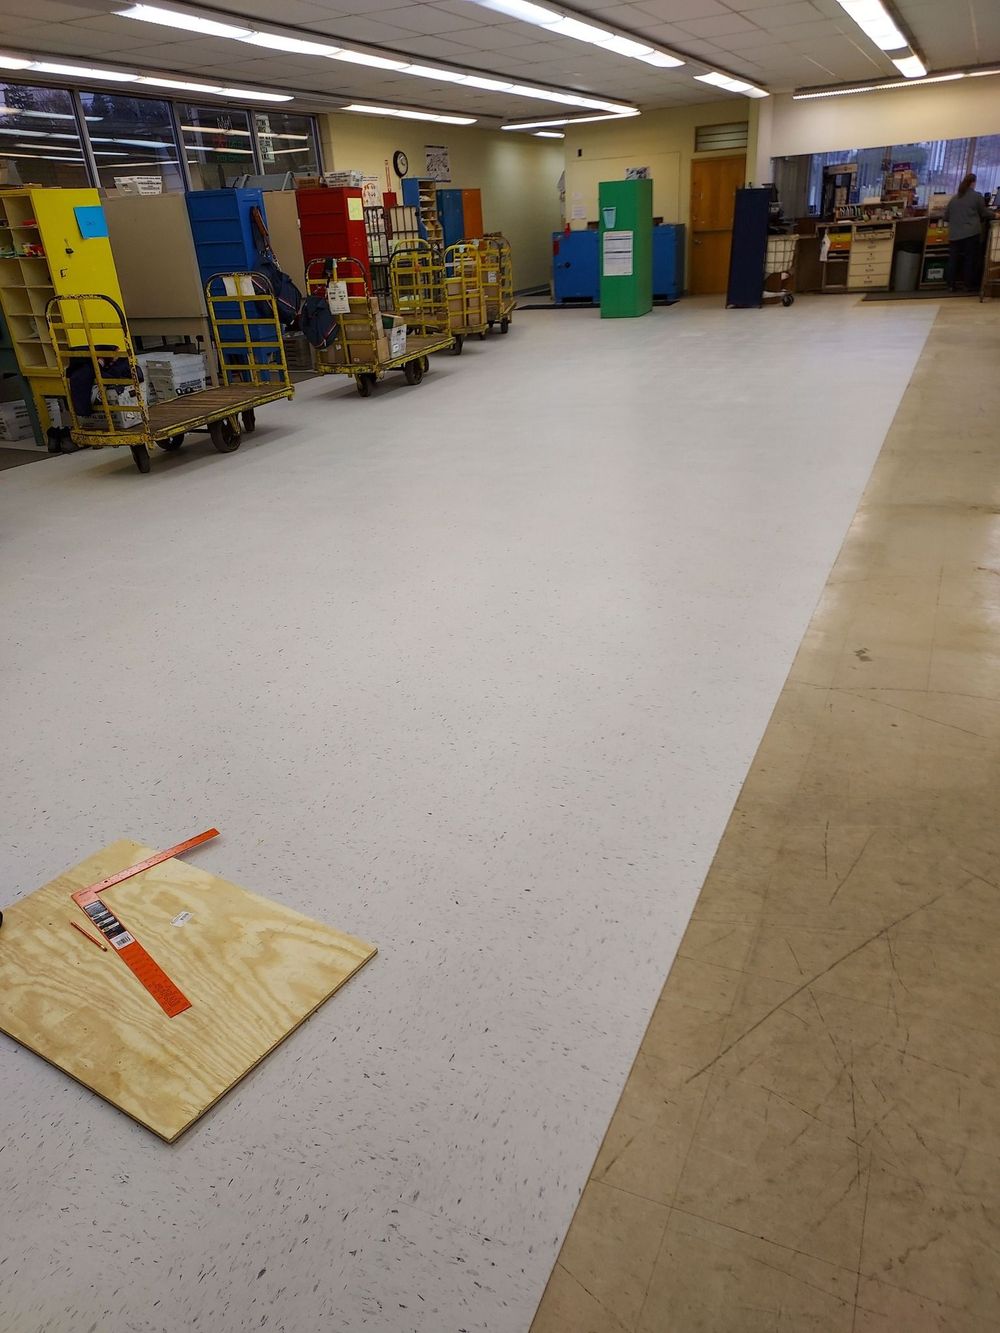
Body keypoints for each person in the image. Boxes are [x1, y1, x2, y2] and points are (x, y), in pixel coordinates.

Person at [943, 173, 992, 292]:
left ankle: (950, 285)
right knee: (970, 259)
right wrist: (995, 214)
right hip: (971, 233)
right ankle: (968, 285)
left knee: (953, 259)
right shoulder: (976, 196)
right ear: (973, 183)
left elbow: (946, 216)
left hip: (954, 234)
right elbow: (984, 213)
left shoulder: (955, 198)